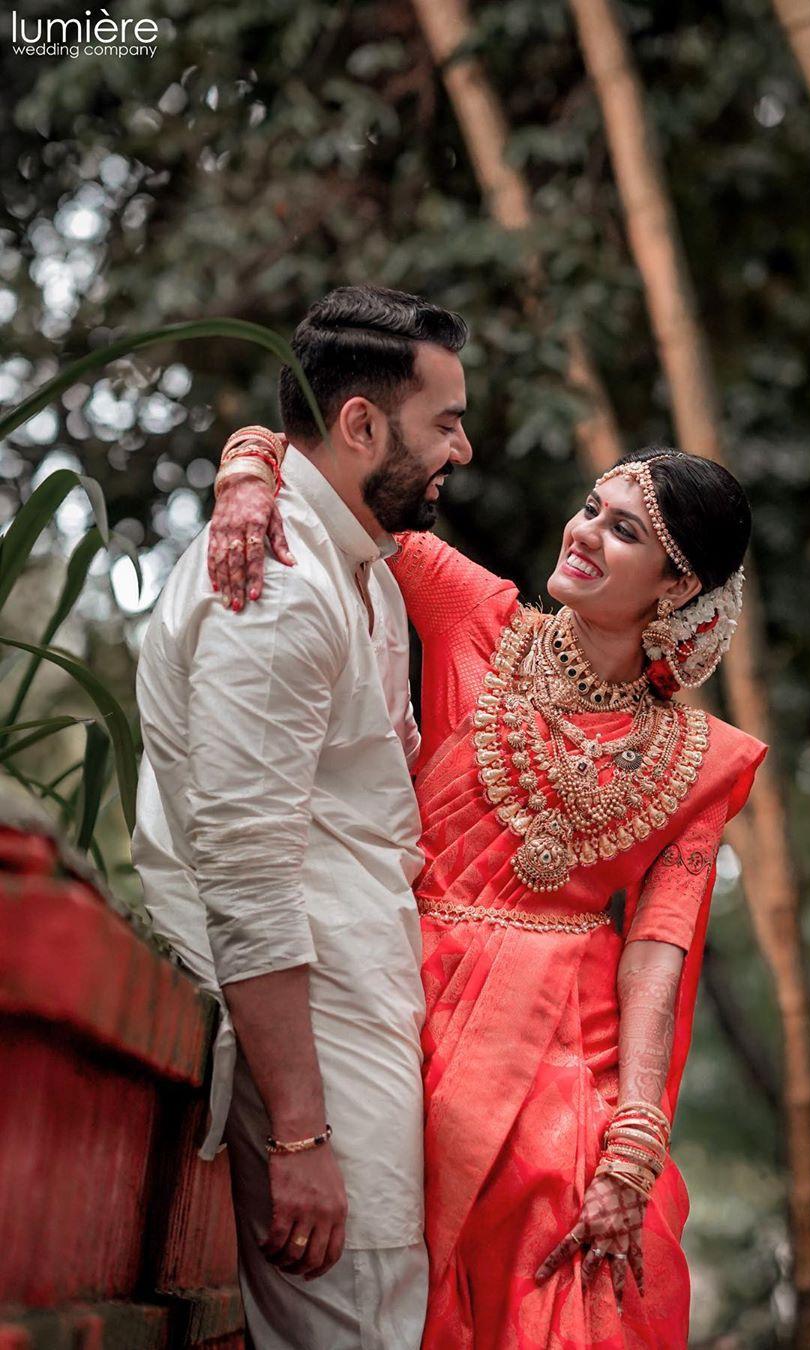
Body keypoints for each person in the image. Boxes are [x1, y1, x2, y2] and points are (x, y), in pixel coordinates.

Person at [208, 421, 767, 1347]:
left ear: (680, 588)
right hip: (405, 998)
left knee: (586, 1265)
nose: (583, 532)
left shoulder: (700, 764)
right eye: (592, 508)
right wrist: (245, 477)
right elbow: (335, 489)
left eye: (625, 531)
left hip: (565, 1054)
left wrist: (632, 1146)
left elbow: (655, 959)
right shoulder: (479, 617)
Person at [131, 284, 473, 1349]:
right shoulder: (275, 586)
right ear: (364, 426)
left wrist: (251, 458)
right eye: (447, 423)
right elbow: (246, 873)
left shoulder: (360, 561)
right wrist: (299, 1134)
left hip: (364, 999)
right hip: (315, 1032)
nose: (463, 450)